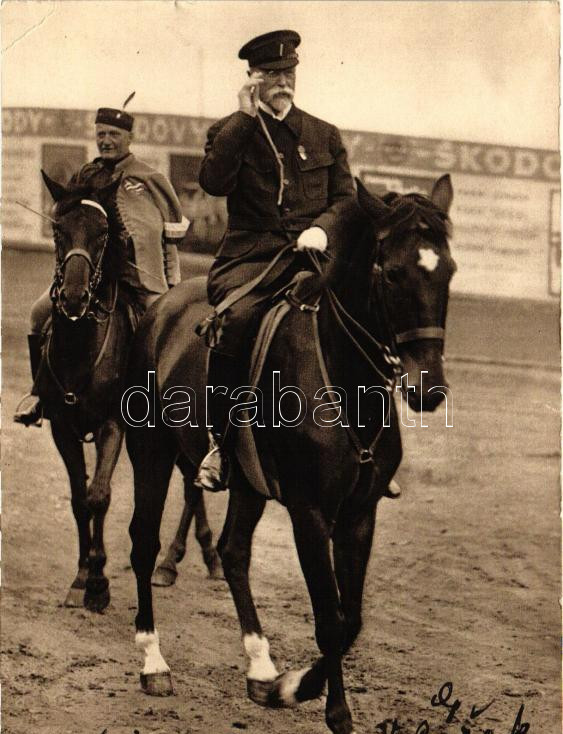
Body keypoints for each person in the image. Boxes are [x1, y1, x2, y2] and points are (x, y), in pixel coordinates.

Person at [194, 29, 400, 500]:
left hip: (314, 255)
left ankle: (374, 447)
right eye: (271, 74)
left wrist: (324, 228)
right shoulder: (229, 130)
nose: (282, 82)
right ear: (252, 79)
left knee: (369, 316)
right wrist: (244, 121)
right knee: (235, 323)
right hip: (252, 259)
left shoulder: (323, 134)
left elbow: (346, 199)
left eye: (288, 73)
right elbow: (214, 183)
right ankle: (219, 445)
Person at [14, 104, 189, 427]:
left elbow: (169, 239)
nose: (107, 140)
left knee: (161, 334)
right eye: (101, 134)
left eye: (114, 134)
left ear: (130, 137)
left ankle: (159, 405)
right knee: (39, 313)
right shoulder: (85, 174)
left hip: (140, 282)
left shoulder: (151, 179)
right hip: (90, 278)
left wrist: (172, 284)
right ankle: (41, 393)